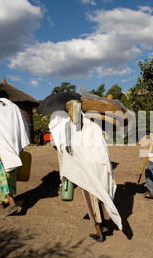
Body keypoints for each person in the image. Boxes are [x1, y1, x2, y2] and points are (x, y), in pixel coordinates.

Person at [52, 100, 122, 242]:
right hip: (100, 162)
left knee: (91, 197)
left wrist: (67, 171)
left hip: (86, 165)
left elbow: (68, 148)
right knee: (103, 192)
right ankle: (106, 223)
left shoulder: (69, 125)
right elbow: (103, 139)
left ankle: (99, 231)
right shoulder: (94, 122)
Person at [0, 91, 30, 215]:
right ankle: (0, 200)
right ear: (8, 98)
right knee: (10, 173)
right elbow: (21, 126)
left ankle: (11, 201)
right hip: (13, 143)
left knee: (0, 172)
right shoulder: (14, 107)